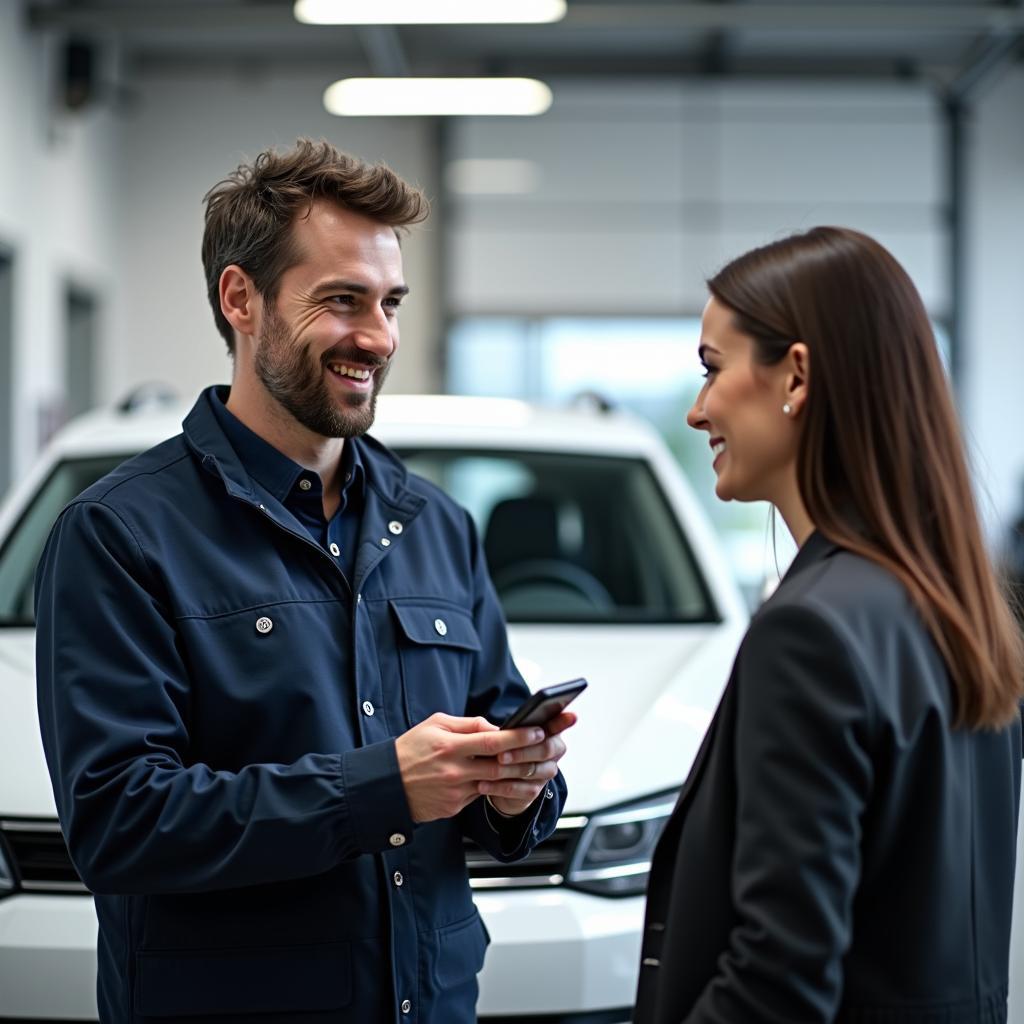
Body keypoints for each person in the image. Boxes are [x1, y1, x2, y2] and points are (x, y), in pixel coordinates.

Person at [35, 139, 574, 1024]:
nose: (380, 337)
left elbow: (487, 757)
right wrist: (380, 787)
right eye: (342, 301)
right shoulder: (120, 535)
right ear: (240, 299)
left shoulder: (437, 526)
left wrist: (518, 790)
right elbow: (119, 823)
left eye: (391, 303)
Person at [634, 226, 1024, 1024]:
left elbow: (776, 981)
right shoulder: (955, 613)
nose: (698, 408)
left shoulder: (810, 632)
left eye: (712, 369)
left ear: (797, 376)